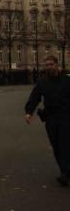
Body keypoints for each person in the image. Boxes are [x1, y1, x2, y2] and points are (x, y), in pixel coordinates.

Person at [24, 56, 70, 186]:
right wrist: (28, 112)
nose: (49, 67)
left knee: (65, 144)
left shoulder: (67, 80)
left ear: (57, 65)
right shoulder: (42, 82)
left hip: (66, 116)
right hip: (51, 118)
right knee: (56, 145)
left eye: (51, 64)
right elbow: (34, 97)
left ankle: (65, 173)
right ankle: (64, 169)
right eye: (47, 65)